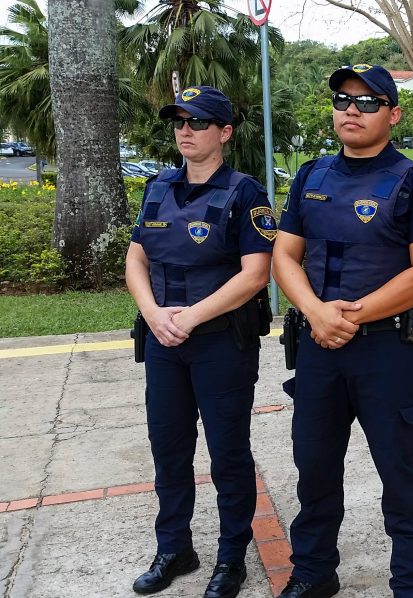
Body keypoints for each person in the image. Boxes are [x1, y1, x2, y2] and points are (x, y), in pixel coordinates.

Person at [272, 64, 413, 598]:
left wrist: (348, 316)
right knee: (314, 470)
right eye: (343, 100)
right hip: (318, 349)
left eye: (369, 101)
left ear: (393, 115)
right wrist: (315, 311)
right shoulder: (310, 176)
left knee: (401, 479)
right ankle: (312, 572)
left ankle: (411, 586)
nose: (352, 110)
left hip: (386, 351)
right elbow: (284, 254)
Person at [125, 86, 275, 598]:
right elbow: (137, 257)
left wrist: (189, 318)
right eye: (179, 122)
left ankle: (231, 557)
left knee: (228, 454)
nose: (185, 131)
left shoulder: (246, 193)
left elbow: (256, 274)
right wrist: (152, 313)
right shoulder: (157, 187)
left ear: (225, 132)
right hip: (164, 342)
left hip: (219, 343)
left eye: (198, 122)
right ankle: (175, 549)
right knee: (168, 449)